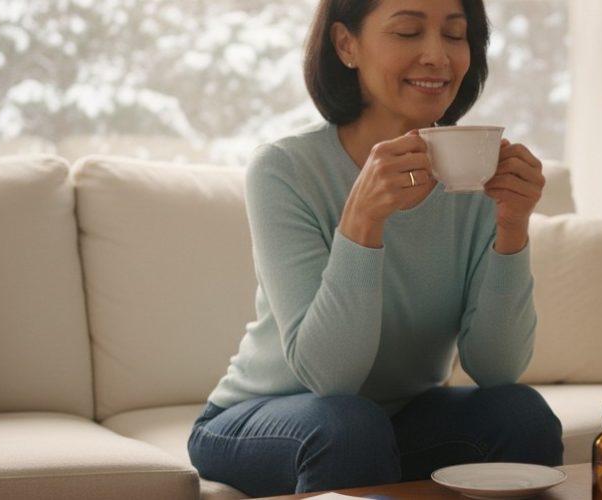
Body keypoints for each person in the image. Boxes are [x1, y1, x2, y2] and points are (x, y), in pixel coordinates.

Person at [185, 0, 562, 496]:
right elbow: (329, 376)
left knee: (520, 413)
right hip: (263, 417)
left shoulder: (474, 175)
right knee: (347, 425)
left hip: (394, 421)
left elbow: (497, 368)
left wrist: (512, 228)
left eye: (455, 34)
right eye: (408, 32)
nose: (437, 56)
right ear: (346, 44)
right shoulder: (285, 169)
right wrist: (363, 220)